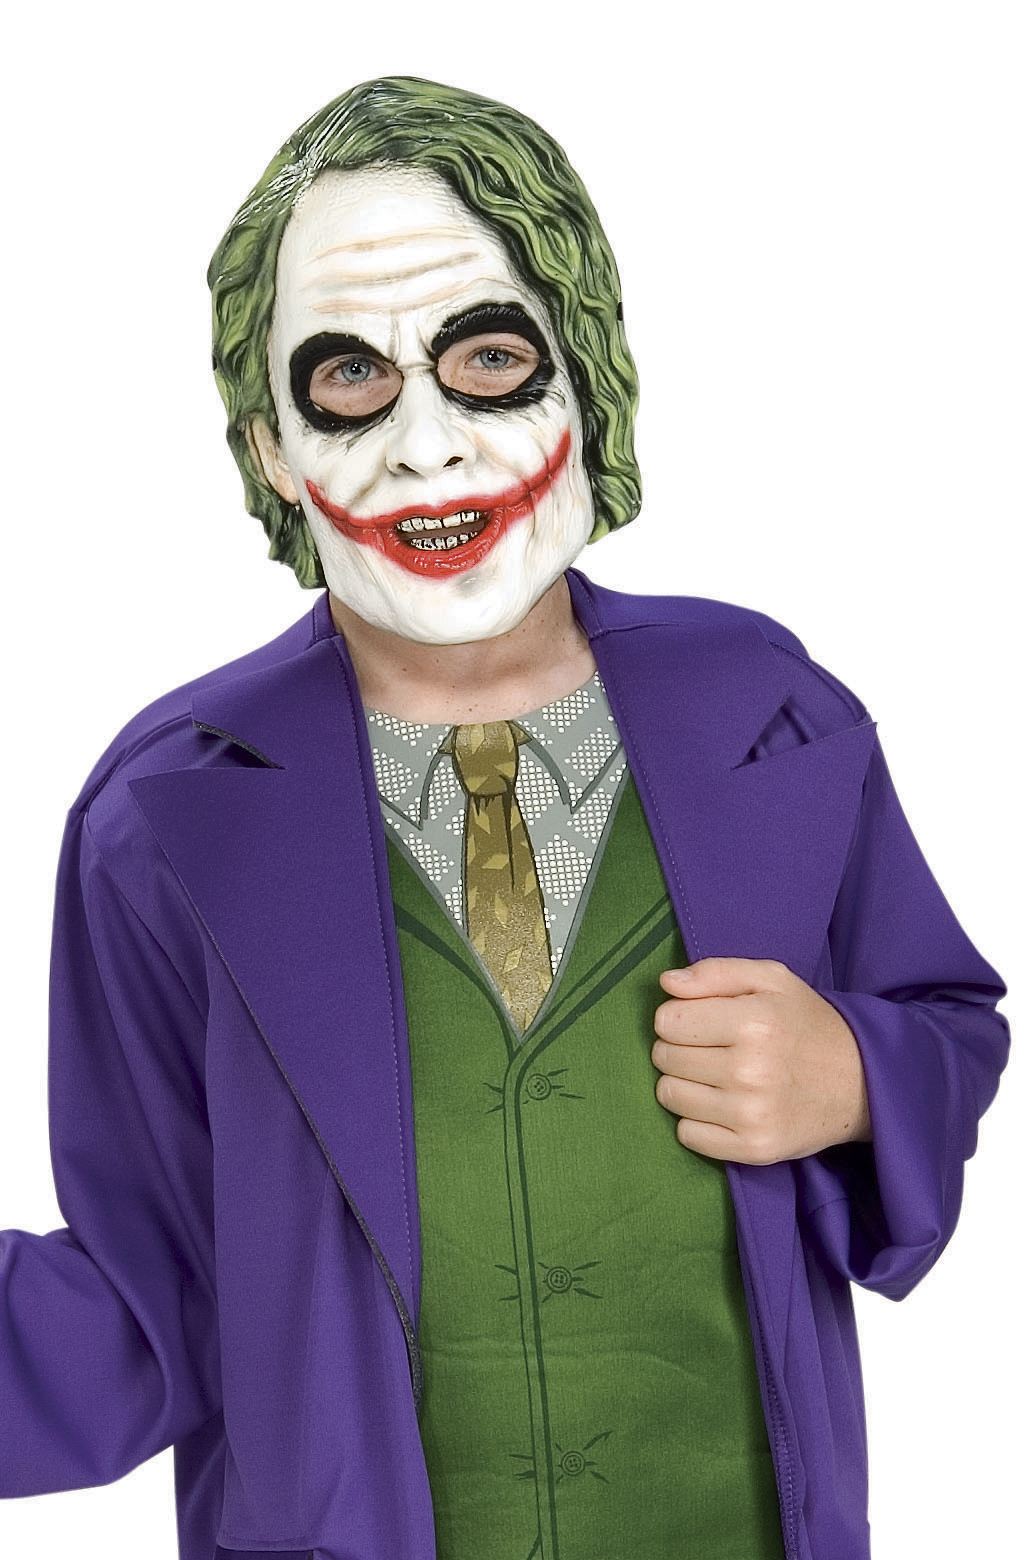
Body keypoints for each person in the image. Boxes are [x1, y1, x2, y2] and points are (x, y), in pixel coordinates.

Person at [0, 76, 1007, 1560]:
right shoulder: (165, 816)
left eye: (487, 357)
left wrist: (857, 1077)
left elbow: (948, 1023)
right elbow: (154, 1285)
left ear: (587, 374)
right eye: (349, 378)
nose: (426, 447)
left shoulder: (773, 717)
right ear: (271, 446)